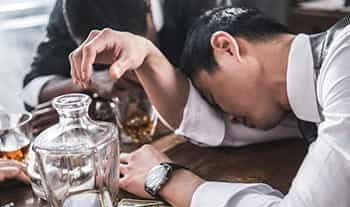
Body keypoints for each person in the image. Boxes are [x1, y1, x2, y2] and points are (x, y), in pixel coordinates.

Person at [69, 7, 350, 207]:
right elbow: (200, 120)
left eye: (214, 99)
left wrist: (166, 178)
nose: (228, 117)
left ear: (227, 47)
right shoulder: (312, 92)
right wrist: (146, 54)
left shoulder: (344, 64)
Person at [22, 0, 291, 136]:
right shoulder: (72, 7)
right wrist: (92, 81)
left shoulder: (205, 8)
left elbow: (234, 85)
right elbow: (33, 85)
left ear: (149, 11)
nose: (122, 68)